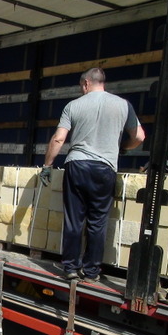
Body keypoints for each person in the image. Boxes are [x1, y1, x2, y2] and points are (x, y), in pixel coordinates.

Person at [40, 67, 145, 282]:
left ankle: (70, 268)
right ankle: (91, 272)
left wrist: (47, 165)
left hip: (77, 165)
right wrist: (122, 147)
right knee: (97, 222)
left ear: (86, 83)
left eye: (81, 86)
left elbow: (59, 139)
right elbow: (140, 137)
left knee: (74, 220)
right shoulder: (123, 105)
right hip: (105, 168)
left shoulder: (73, 106)